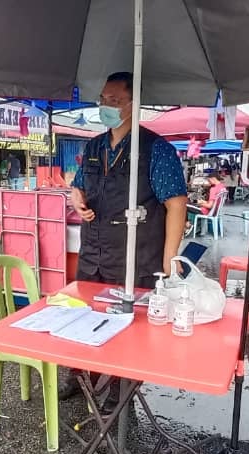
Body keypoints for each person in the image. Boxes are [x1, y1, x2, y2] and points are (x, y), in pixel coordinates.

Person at [65, 71, 189, 410]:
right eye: (103, 99)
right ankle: (82, 377)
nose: (106, 105)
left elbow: (176, 203)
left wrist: (170, 258)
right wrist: (76, 199)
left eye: (115, 100)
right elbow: (77, 186)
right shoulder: (94, 146)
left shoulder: (156, 150)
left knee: (127, 324)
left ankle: (121, 390)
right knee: (87, 314)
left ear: (135, 104)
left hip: (136, 251)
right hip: (94, 250)